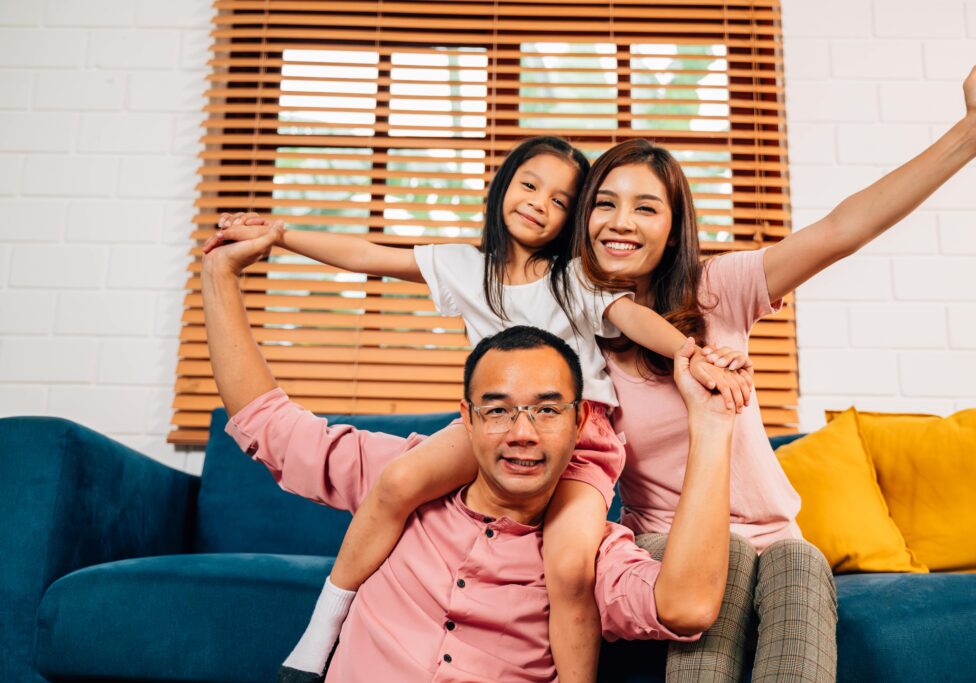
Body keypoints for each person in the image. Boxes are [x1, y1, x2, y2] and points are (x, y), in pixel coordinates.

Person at [206, 135, 753, 682]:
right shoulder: (466, 268)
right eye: (530, 185)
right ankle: (316, 636)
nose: (540, 203)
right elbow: (370, 257)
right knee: (397, 483)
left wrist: (692, 355)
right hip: (482, 441)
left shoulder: (576, 278)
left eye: (562, 201)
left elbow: (633, 319)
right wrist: (279, 236)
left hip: (585, 439)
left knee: (568, 567)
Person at [579, 57, 976, 682]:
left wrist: (975, 129)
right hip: (671, 549)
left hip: (778, 539)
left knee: (801, 562)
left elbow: (843, 229)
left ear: (674, 227)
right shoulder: (571, 338)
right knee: (733, 560)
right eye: (605, 204)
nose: (621, 222)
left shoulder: (714, 293)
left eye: (646, 208)